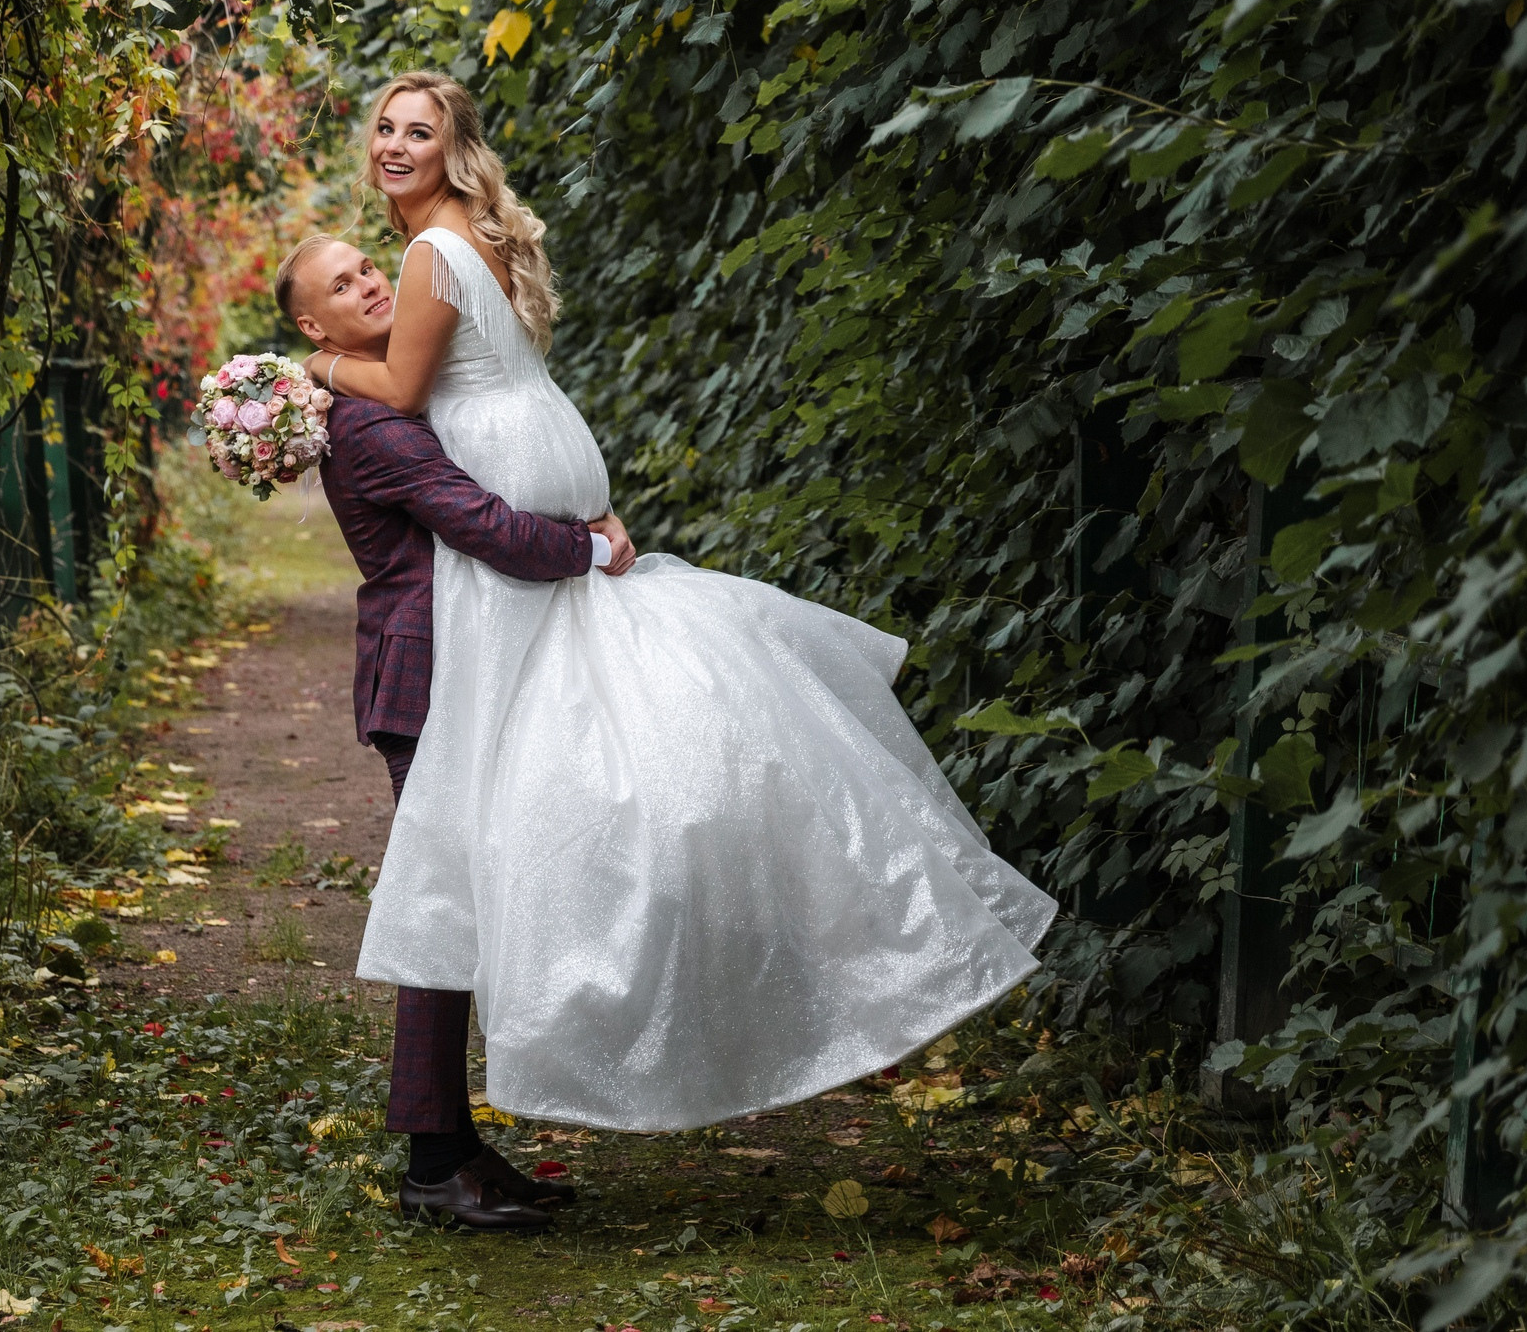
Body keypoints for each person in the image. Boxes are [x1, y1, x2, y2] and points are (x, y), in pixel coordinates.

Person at [291, 71, 1058, 1136]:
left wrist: (319, 367)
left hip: (523, 528)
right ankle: (463, 1117)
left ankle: (554, 1033)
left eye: (419, 130)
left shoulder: (430, 250)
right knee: (577, 769)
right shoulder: (472, 236)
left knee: (546, 790)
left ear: (456, 145)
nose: (395, 143)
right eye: (385, 127)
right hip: (530, 518)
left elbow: (406, 391)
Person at [272, 233, 635, 1231]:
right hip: (425, 679)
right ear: (315, 328)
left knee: (464, 905)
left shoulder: (391, 401)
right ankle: (434, 1162)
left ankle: (458, 1149)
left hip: (450, 668)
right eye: (341, 284)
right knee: (444, 913)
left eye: (366, 267)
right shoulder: (374, 428)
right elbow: (480, 523)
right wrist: (593, 548)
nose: (368, 282)